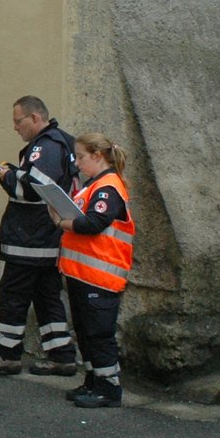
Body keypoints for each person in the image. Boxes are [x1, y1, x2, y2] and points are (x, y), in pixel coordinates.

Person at [0, 96, 81, 377]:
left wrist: (7, 177)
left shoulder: (45, 146)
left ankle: (8, 355)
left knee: (13, 294)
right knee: (46, 297)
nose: (15, 128)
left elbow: (34, 189)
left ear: (35, 118)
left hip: (30, 239)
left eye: (17, 121)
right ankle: (62, 355)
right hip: (45, 240)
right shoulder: (62, 142)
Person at [54, 132, 135, 409]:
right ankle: (93, 380)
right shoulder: (94, 186)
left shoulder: (107, 188)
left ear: (98, 156)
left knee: (99, 333)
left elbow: (94, 223)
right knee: (86, 331)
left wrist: (62, 223)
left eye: (81, 157)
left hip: (101, 276)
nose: (77, 163)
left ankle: (108, 388)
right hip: (84, 274)